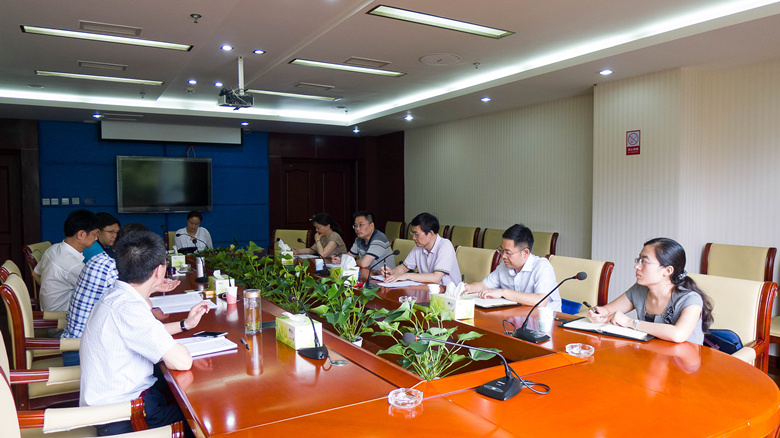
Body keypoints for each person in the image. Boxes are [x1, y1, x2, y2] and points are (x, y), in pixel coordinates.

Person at [80, 230, 209, 436]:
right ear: (159, 271)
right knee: (204, 419)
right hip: (128, 416)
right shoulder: (129, 308)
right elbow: (182, 361)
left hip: (116, 406)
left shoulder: (115, 295)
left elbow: (142, 333)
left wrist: (185, 325)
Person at [61, 223, 181, 366]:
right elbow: (143, 309)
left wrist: (154, 286)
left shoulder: (100, 259)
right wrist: (153, 286)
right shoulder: (112, 270)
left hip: (80, 342)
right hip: (82, 353)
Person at [587, 237, 712, 344]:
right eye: (638, 260)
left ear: (667, 270)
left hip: (683, 361)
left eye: (644, 262)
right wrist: (596, 314)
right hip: (651, 356)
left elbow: (678, 334)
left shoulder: (690, 299)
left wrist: (630, 322)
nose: (636, 266)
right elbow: (606, 311)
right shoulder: (640, 289)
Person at [464, 224, 560, 311]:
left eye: (508, 252)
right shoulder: (504, 266)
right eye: (502, 251)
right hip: (517, 316)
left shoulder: (542, 266)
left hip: (546, 321)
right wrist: (468, 288)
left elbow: (540, 301)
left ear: (525, 253)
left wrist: (503, 292)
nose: (503, 256)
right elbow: (484, 285)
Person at [34, 209, 99, 311]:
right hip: (62, 317)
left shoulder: (53, 249)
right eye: (95, 234)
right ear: (81, 234)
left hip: (48, 312)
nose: (96, 238)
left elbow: (35, 274)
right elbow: (97, 293)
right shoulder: (73, 265)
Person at [381, 212, 461, 285]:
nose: (413, 238)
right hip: (428, 289)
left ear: (430, 233)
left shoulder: (445, 245)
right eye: (413, 234)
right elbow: (404, 267)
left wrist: (407, 276)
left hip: (447, 292)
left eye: (416, 234)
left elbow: (436, 278)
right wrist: (393, 272)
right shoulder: (419, 246)